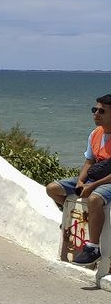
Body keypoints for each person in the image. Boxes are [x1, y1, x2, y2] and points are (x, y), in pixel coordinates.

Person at [45, 94, 111, 265]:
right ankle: (68, 214)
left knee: (95, 199)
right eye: (94, 110)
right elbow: (89, 161)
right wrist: (81, 182)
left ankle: (93, 247)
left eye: (102, 111)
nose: (96, 114)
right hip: (96, 175)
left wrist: (93, 186)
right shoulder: (95, 134)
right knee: (52, 188)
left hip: (107, 180)